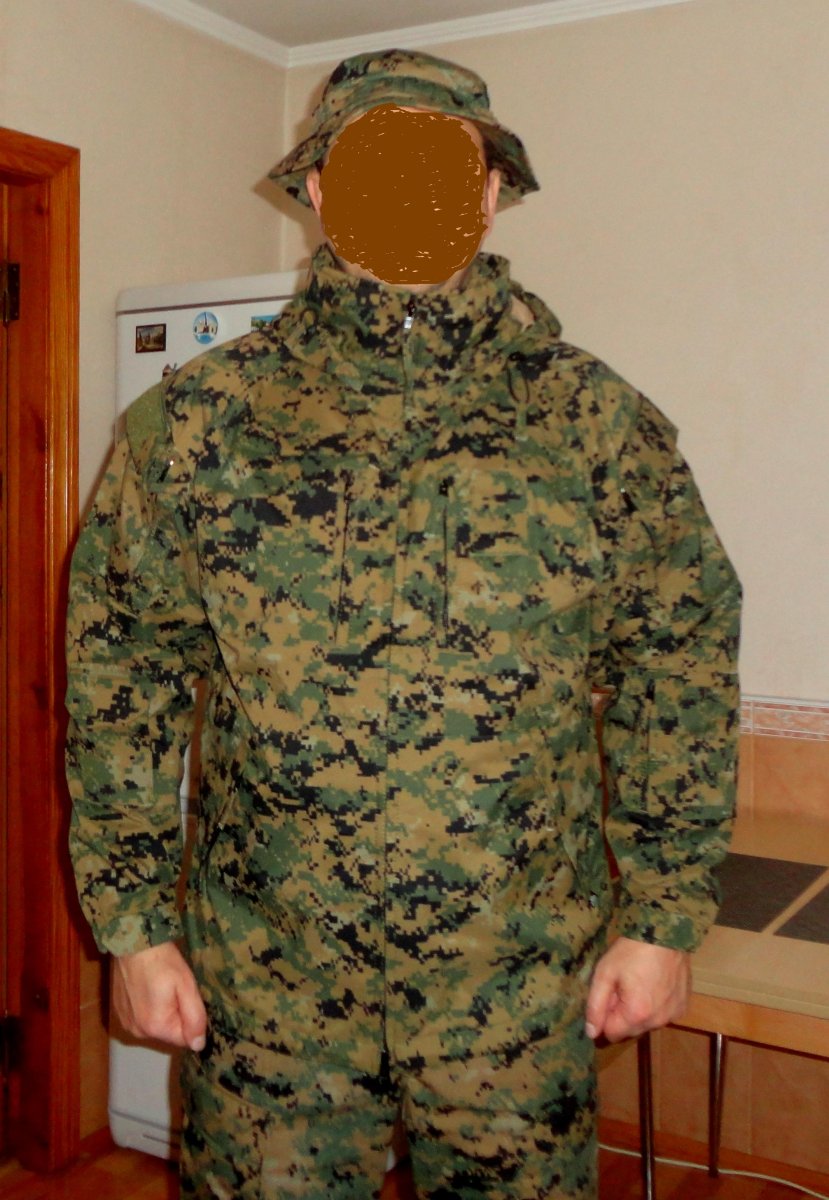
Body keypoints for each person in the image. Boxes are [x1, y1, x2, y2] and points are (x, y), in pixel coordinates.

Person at [66, 48, 741, 1200]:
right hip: (268, 992)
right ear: (319, 187)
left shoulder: (593, 425)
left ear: (491, 190)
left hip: (516, 997)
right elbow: (118, 676)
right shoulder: (196, 425)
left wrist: (664, 918)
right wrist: (131, 927)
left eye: (443, 166)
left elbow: (676, 661)